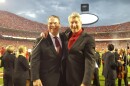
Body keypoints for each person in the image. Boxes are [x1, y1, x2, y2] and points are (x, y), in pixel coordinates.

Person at [31, 15, 67, 86]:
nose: (52, 25)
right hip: (47, 80)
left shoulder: (64, 37)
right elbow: (34, 59)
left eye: (55, 23)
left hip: (64, 79)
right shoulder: (41, 40)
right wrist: (35, 78)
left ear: (60, 25)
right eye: (50, 23)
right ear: (47, 25)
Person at [65, 12, 96, 86]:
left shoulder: (88, 39)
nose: (74, 25)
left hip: (79, 80)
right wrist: (45, 33)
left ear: (81, 23)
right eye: (71, 22)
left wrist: (85, 82)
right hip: (65, 79)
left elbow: (89, 61)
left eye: (76, 22)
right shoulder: (66, 36)